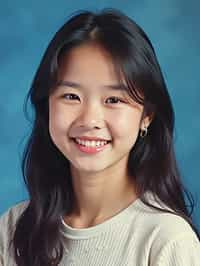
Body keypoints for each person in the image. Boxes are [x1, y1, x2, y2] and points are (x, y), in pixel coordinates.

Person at [0, 8, 199, 266]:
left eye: (113, 100)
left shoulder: (165, 240)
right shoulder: (14, 229)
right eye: (71, 96)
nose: (90, 120)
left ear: (146, 116)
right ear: (47, 105)